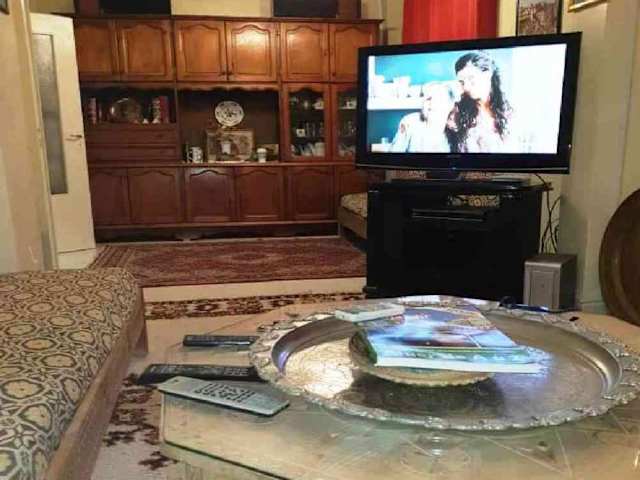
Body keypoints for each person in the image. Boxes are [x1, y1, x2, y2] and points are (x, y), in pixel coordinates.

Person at [445, 52, 514, 153]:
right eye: (462, 82)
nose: (466, 87)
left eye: (471, 78)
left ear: (488, 74)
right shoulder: (457, 112)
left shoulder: (510, 112)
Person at [390, 82, 460, 153]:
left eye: (439, 99)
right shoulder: (410, 122)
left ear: (450, 105)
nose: (432, 103)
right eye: (428, 99)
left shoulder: (454, 132)